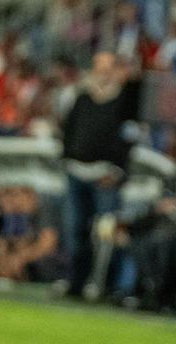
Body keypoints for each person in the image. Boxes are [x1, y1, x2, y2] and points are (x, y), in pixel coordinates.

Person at [59, 51, 141, 298]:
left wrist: (117, 170)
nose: (102, 73)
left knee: (106, 233)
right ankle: (76, 281)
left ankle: (105, 284)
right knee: (75, 230)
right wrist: (67, 157)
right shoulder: (83, 97)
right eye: (99, 67)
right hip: (76, 170)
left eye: (108, 68)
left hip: (105, 175)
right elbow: (68, 129)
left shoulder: (124, 101)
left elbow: (129, 138)